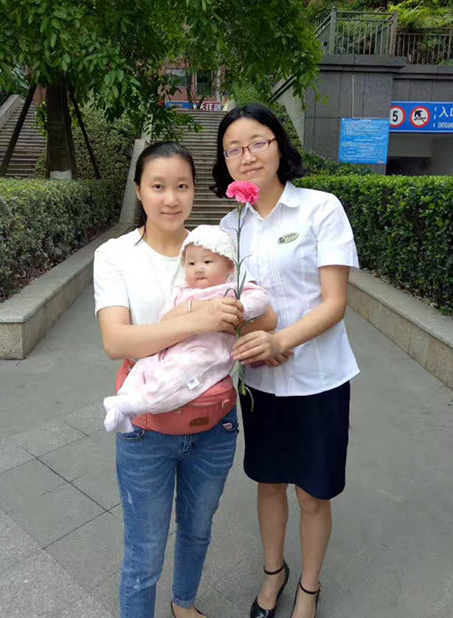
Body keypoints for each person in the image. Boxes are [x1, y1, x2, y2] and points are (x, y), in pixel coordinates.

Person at [94, 140, 276, 618]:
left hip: (214, 424)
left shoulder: (213, 246)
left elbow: (265, 315)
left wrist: (245, 320)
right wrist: (198, 320)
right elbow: (117, 340)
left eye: (182, 186)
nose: (171, 198)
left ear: (195, 190)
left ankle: (184, 605)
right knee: (145, 551)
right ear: (139, 190)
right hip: (147, 431)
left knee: (198, 530)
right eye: (158, 187)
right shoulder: (116, 255)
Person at [212, 104, 360, 618]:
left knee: (313, 494)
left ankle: (309, 589)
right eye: (233, 149)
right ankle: (274, 573)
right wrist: (255, 338)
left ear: (279, 145)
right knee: (269, 483)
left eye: (258, 142)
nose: (247, 156)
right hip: (261, 384)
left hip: (320, 378)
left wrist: (280, 341)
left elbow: (335, 303)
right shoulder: (229, 228)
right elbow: (227, 305)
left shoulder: (320, 209)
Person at [102, 224, 269, 433]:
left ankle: (138, 403)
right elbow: (165, 319)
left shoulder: (231, 288)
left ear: (229, 266)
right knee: (145, 365)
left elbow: (260, 298)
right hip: (172, 347)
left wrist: (240, 308)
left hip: (206, 352)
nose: (198, 268)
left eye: (207, 262)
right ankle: (123, 402)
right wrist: (193, 311)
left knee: (179, 375)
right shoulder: (183, 292)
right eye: (191, 263)